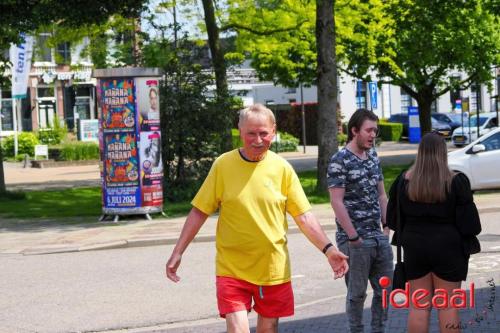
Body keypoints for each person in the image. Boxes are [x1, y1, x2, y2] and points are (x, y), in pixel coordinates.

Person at [166, 104, 349, 333]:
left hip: (273, 269)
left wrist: (329, 249)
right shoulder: (223, 165)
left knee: (268, 329)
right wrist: (178, 251)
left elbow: (303, 215)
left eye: (263, 133)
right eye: (251, 133)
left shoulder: (282, 169)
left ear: (273, 131)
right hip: (231, 267)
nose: (258, 139)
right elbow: (199, 211)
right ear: (240, 132)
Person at [387, 132, 481, 333]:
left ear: (420, 152)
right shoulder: (455, 181)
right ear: (443, 153)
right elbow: (471, 225)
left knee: (419, 308)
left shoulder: (404, 181)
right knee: (448, 307)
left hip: (415, 249)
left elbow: (393, 219)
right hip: (448, 249)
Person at [327, 108, 394, 333]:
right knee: (357, 294)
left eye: (375, 130)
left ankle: (379, 330)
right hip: (354, 240)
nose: (373, 135)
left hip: (378, 237)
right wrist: (353, 237)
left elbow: (382, 195)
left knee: (385, 290)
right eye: (369, 130)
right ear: (354, 130)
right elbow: (337, 202)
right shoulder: (340, 160)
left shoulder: (373, 156)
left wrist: (386, 226)